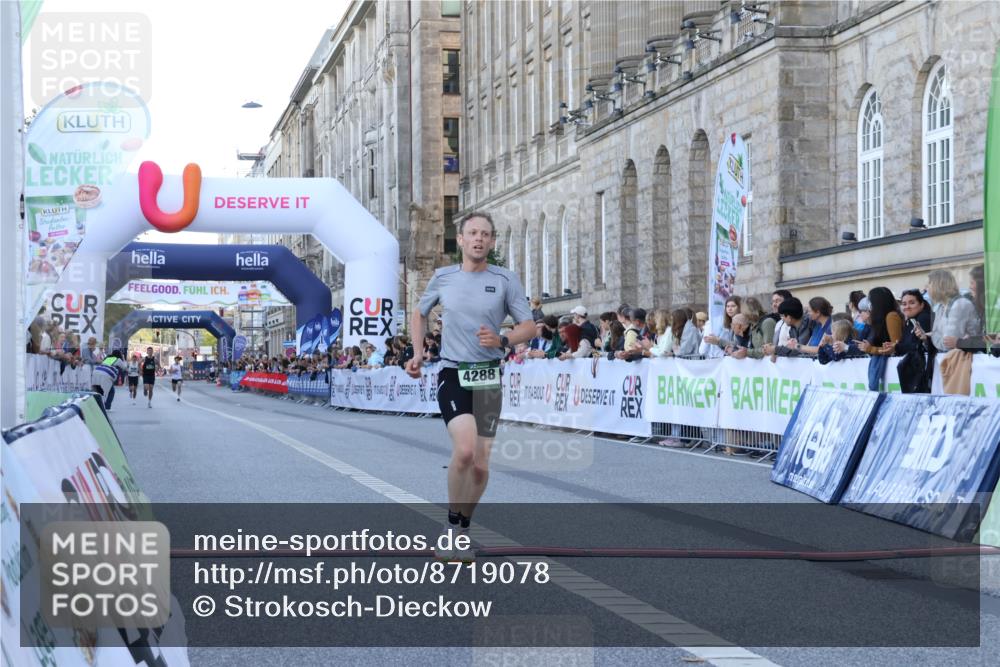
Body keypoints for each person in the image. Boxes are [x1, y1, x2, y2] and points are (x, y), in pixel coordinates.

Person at [406, 211, 535, 562]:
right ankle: (451, 527)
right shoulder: (443, 277)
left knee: (480, 464)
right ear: (460, 240)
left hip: (488, 376)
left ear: (491, 242)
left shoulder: (505, 279)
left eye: (485, 234)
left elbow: (529, 326)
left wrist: (503, 339)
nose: (479, 238)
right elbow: (419, 313)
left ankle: (463, 527)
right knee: (464, 451)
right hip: (453, 373)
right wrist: (417, 353)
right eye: (473, 233)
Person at [926, 268, 981, 352]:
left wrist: (932, 336)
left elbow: (948, 344)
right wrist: (928, 336)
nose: (927, 288)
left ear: (938, 285)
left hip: (967, 357)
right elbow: (940, 336)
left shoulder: (959, 305)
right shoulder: (941, 306)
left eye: (929, 284)